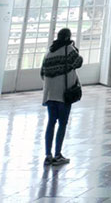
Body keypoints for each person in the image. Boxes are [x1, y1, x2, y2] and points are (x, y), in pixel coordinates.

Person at [40, 27, 83, 167]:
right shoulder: (68, 50)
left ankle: (48, 155)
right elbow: (79, 62)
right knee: (62, 124)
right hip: (63, 94)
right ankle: (58, 154)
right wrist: (74, 47)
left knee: (51, 123)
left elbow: (42, 73)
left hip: (50, 94)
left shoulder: (49, 51)